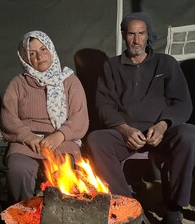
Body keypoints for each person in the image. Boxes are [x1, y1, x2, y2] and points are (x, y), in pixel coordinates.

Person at [86, 12, 195, 224]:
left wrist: (163, 125)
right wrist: (124, 129)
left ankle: (174, 210)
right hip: (127, 134)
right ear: (123, 35)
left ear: (148, 35)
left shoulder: (166, 63)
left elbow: (182, 102)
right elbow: (104, 104)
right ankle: (130, 210)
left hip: (162, 133)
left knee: (190, 135)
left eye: (141, 34)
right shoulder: (111, 66)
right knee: (96, 140)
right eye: (131, 34)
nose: (136, 40)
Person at [0, 30, 89, 205]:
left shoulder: (70, 81)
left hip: (61, 140)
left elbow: (80, 117)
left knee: (64, 173)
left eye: (43, 49)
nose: (40, 56)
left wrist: (60, 135)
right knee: (18, 169)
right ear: (25, 58)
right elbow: (7, 116)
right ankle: (22, 213)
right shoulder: (18, 83)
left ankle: (60, 215)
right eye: (32, 53)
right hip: (27, 142)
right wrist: (27, 136)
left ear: (51, 50)